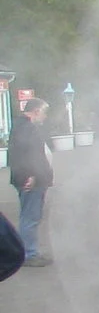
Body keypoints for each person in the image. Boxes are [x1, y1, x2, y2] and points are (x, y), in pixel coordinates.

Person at [9, 95, 52, 268]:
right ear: (35, 111)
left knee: (29, 216)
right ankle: (29, 254)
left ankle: (30, 251)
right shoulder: (27, 128)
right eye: (44, 112)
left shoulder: (20, 126)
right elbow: (26, 154)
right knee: (30, 217)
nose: (45, 116)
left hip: (28, 178)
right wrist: (31, 175)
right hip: (31, 180)